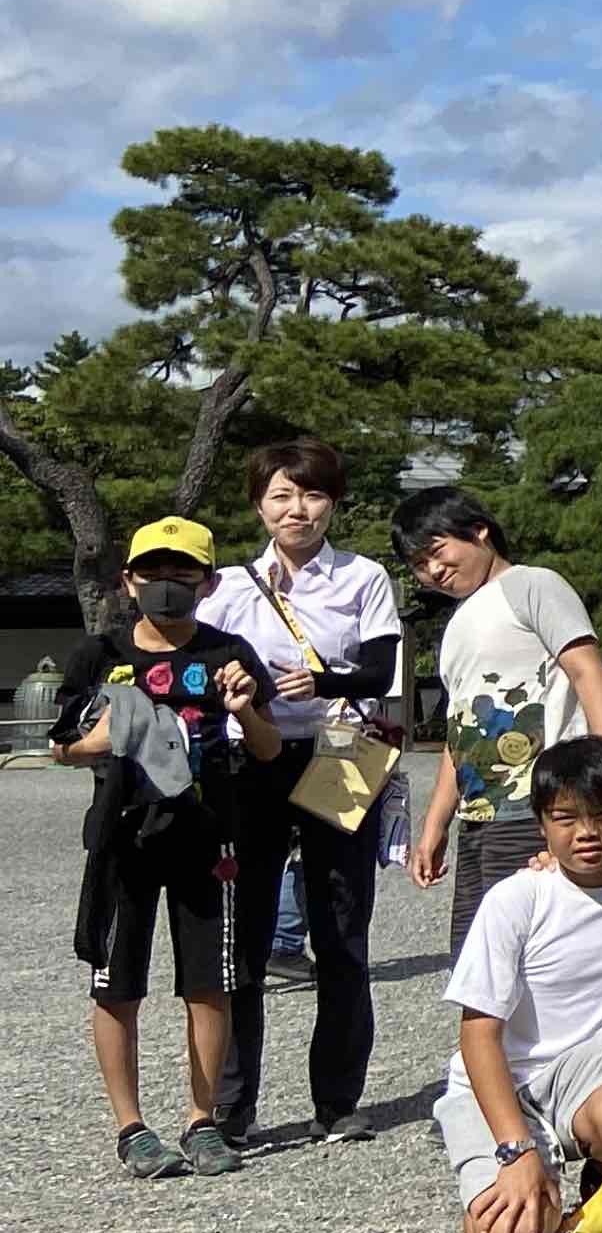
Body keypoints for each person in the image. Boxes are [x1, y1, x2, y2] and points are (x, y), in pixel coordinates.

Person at [54, 518, 285, 1179]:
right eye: (152, 572)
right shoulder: (99, 654)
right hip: (123, 839)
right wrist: (95, 745)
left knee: (210, 985)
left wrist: (243, 709)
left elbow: (268, 751)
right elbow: (60, 745)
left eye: (183, 573)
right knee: (115, 985)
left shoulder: (227, 652)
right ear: (128, 581)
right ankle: (131, 1127)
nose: (167, 585)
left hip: (209, 839)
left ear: (207, 583)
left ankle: (201, 1119)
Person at [200, 438, 402, 1146]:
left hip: (346, 748)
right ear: (259, 505)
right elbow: (204, 667)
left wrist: (325, 682)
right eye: (282, 495)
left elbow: (379, 671)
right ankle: (232, 1106)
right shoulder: (223, 586)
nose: (298, 509)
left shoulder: (363, 576)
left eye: (312, 494)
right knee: (243, 933)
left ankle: (339, 1100)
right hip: (248, 754)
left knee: (340, 927)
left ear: (333, 502)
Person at [434, 737, 602, 1233]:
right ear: (541, 824)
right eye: (565, 818)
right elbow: (478, 1035)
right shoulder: (517, 899)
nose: (586, 833)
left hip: (594, 1071)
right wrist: (514, 1150)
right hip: (502, 1083)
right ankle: (527, 1173)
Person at [397, 488, 602, 960]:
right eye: (419, 564)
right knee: (476, 957)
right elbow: (459, 733)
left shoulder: (532, 585)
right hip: (480, 815)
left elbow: (588, 670)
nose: (433, 571)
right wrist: (435, 825)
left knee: (533, 952)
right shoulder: (458, 621)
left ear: (479, 531)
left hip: (538, 802)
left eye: (438, 552)